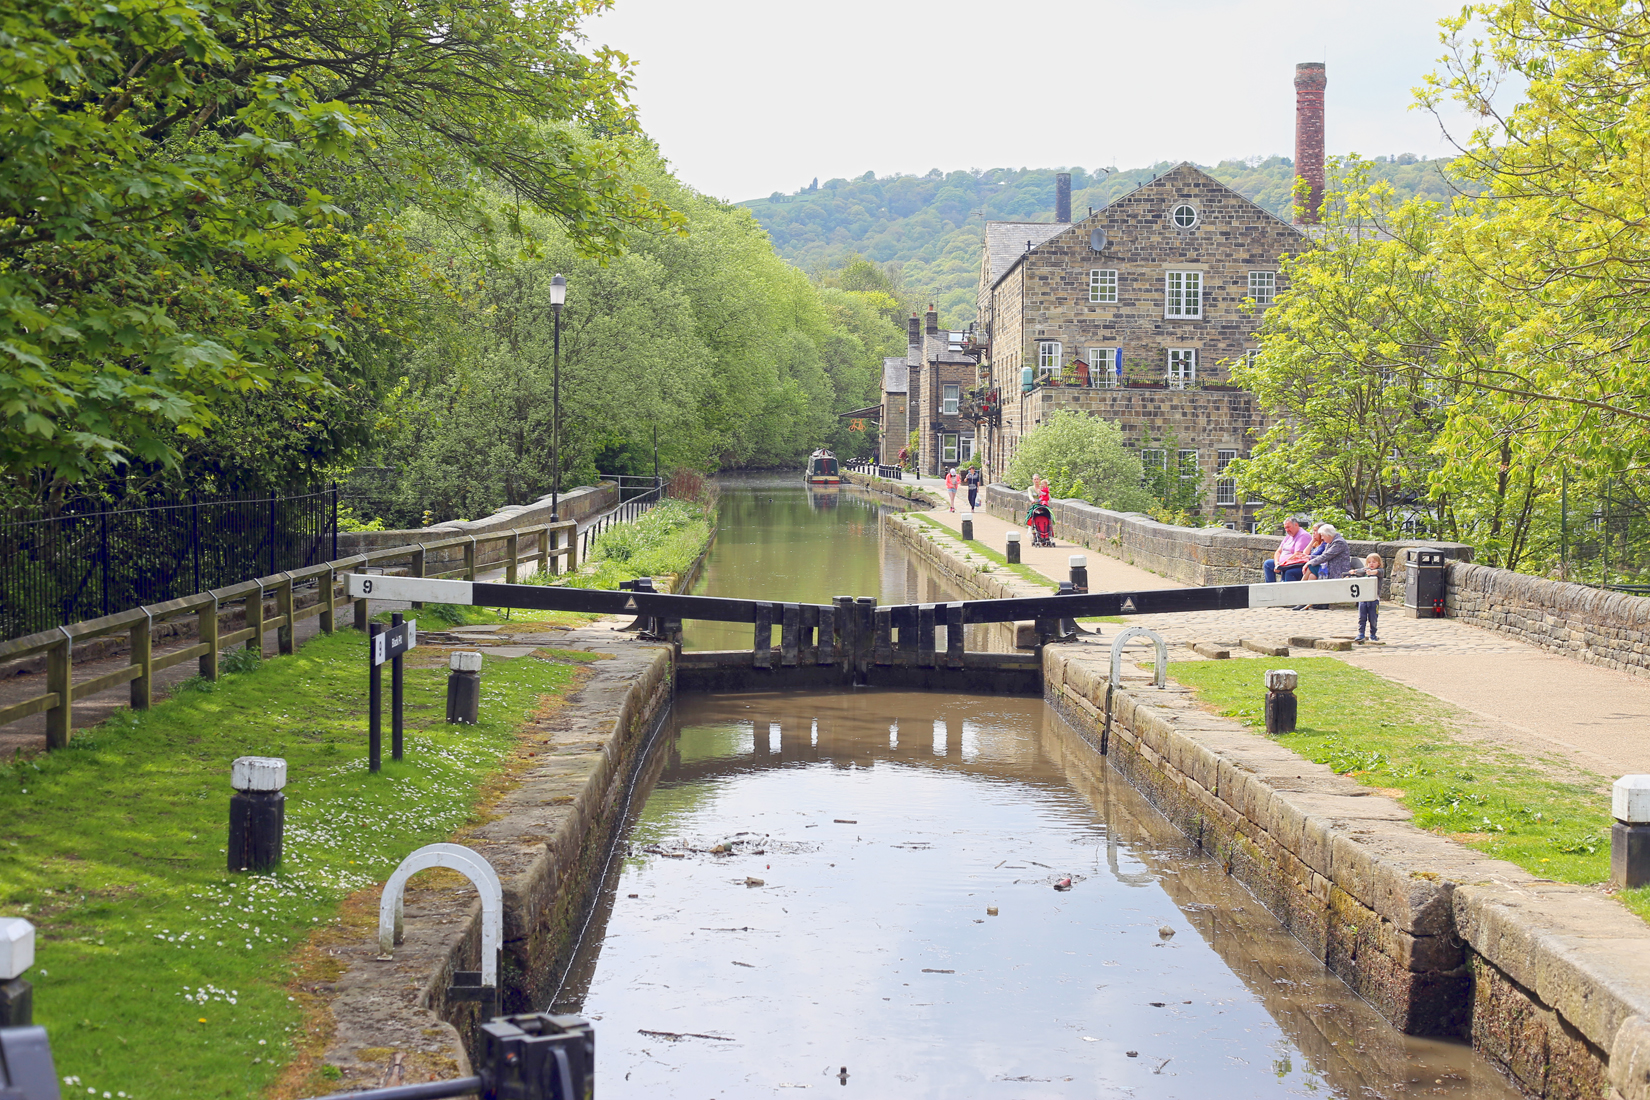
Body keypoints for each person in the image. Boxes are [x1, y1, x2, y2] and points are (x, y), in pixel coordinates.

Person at [1349, 553, 1385, 643]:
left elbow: (1377, 572)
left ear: (1378, 563)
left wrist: (1371, 572)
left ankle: (1373, 634)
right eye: (1369, 562)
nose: (1371, 564)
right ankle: (1361, 633)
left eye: (1374, 562)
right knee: (1362, 617)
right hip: (1363, 598)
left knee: (1373, 618)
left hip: (1374, 599)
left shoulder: (1380, 571)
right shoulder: (1364, 571)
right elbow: (1359, 571)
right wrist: (1354, 572)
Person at [1263, 517, 1310, 583]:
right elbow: (1278, 551)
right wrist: (1277, 564)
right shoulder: (1289, 535)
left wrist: (1282, 565)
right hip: (1282, 564)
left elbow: (1297, 554)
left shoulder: (1303, 535)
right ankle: (1270, 588)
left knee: (1288, 572)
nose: (1287, 530)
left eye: (1289, 527)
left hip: (1294, 564)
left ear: (1296, 525)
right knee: (1267, 564)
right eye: (1285, 528)